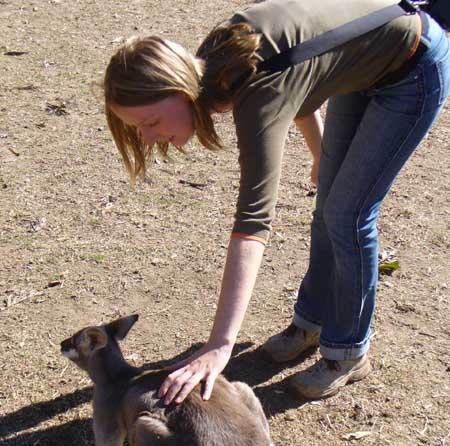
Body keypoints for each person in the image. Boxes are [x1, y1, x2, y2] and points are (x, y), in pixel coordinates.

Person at [103, 0, 450, 404]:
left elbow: (252, 224)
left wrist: (220, 343)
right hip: (366, 63)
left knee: (348, 216)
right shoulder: (216, 62)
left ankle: (348, 353)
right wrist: (320, 153)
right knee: (329, 206)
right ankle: (313, 321)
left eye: (151, 122)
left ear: (180, 90)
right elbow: (300, 72)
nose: (147, 137)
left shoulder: (254, 93)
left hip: (413, 67)